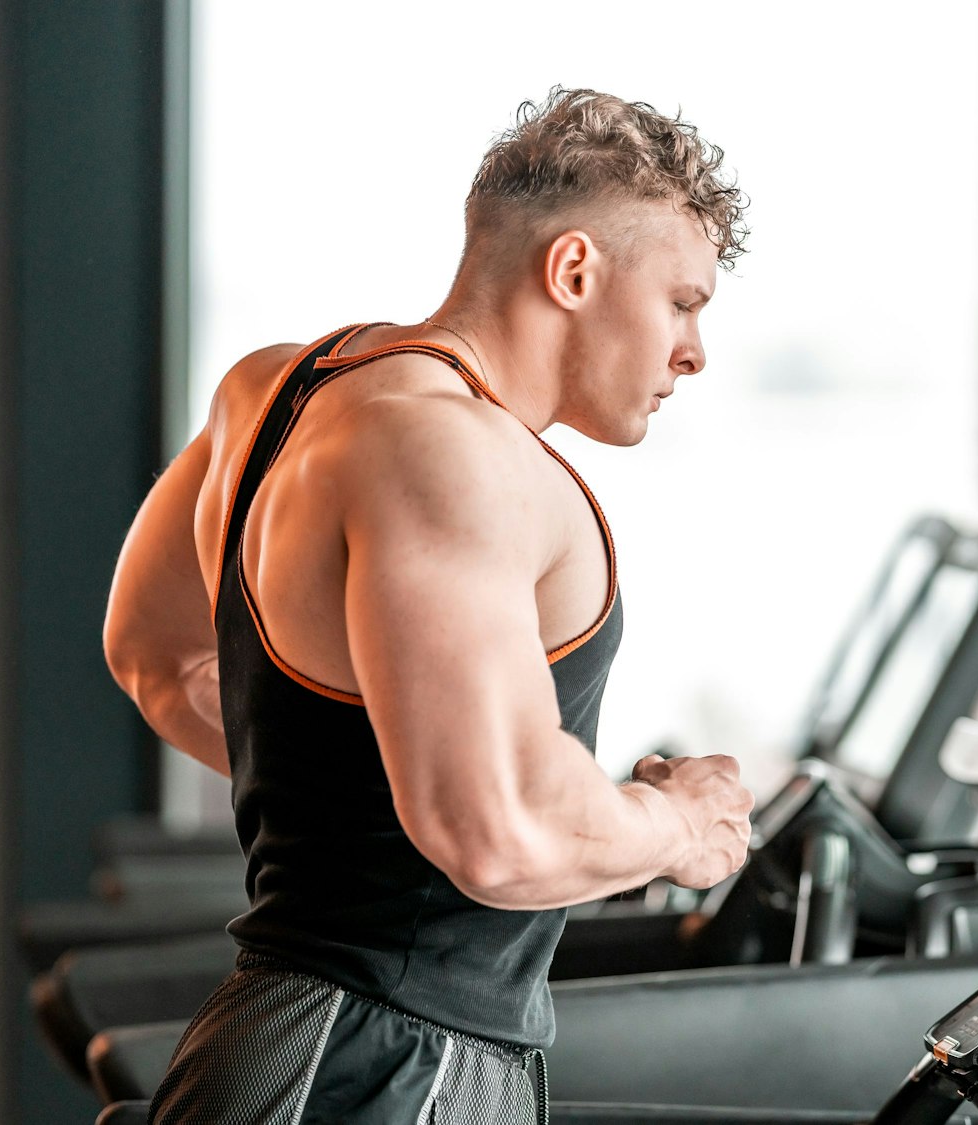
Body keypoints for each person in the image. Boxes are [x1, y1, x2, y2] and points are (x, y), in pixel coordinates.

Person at [102, 87, 755, 1124]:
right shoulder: (454, 454)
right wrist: (672, 827)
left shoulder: (278, 389)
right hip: (387, 1069)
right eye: (682, 302)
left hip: (283, 1042)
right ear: (574, 269)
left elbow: (154, 655)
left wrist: (418, 766)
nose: (693, 351)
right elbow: (498, 835)